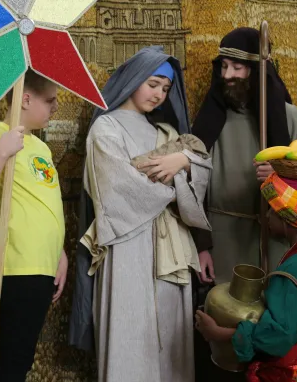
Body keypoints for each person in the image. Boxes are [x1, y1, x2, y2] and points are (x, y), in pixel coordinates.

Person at [69, 46, 213, 382]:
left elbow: (201, 170)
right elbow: (117, 188)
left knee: (169, 336)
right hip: (127, 246)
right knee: (130, 330)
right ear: (134, 79)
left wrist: (184, 161)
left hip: (171, 250)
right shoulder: (106, 129)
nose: (160, 94)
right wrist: (174, 187)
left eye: (166, 89)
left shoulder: (166, 134)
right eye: (153, 84)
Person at [191, 26, 297, 284]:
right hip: (222, 241)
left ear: (257, 70)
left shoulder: (291, 119)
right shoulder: (211, 122)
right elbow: (194, 185)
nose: (227, 75)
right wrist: (201, 246)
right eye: (224, 66)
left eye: (237, 68)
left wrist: (282, 177)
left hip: (274, 240)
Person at [0, 69, 68, 382]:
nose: (54, 107)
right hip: (17, 265)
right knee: (14, 361)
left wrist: (59, 253)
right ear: (25, 98)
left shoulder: (42, 148)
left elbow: (43, 204)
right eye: (49, 100)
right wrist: (1, 152)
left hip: (43, 265)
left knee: (21, 360)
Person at [195, 171, 297, 382]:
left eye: (272, 210)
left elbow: (280, 336)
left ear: (288, 218)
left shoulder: (294, 268)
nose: (266, 216)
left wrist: (217, 333)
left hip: (286, 373)